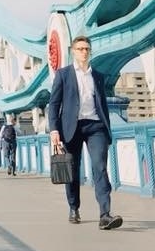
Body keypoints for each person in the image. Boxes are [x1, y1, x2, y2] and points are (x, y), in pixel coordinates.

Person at [48, 35, 123, 230]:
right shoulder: (63, 74)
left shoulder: (97, 75)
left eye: (87, 49)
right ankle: (74, 207)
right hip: (71, 128)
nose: (84, 52)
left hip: (95, 126)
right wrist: (54, 129)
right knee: (72, 170)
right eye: (80, 49)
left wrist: (107, 130)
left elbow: (103, 104)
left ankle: (105, 214)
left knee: (100, 167)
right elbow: (54, 104)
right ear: (73, 51)